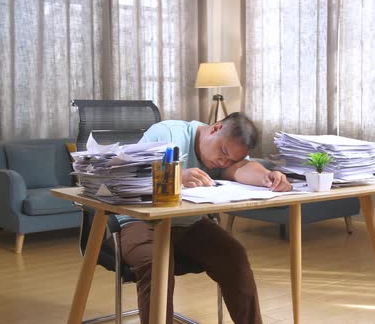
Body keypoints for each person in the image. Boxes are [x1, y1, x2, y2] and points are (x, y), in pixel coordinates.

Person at [115, 112, 292, 324]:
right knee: (156, 263)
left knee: (233, 255)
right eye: (223, 152)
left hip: (187, 223)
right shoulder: (167, 132)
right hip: (142, 221)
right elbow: (127, 173)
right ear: (215, 128)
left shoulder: (227, 159)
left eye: (230, 159)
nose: (222, 161)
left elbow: (241, 168)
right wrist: (174, 175)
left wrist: (267, 177)